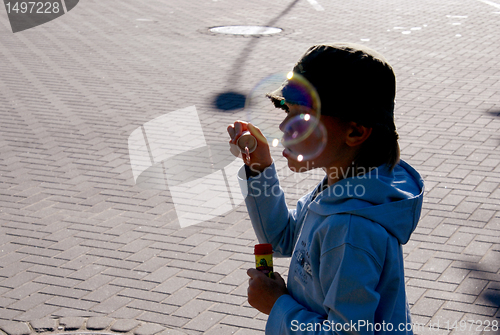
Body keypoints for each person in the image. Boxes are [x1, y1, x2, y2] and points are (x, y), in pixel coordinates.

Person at [227, 42, 424, 334]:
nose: (283, 127)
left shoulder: (350, 228)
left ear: (355, 132)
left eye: (301, 116)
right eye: (285, 109)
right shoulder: (341, 188)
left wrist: (277, 305)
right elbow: (281, 238)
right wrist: (259, 167)